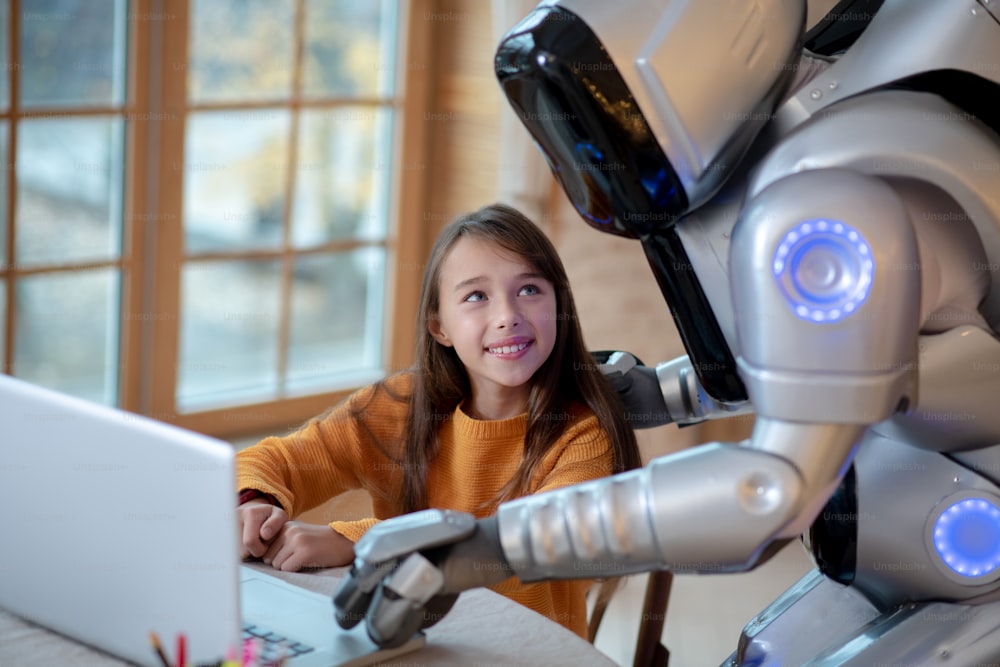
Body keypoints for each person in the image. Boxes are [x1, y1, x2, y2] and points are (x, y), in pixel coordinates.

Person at [235, 202, 642, 638]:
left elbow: (529, 547)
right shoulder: (402, 406)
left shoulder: (582, 434)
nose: (507, 315)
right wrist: (256, 503)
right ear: (440, 327)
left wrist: (363, 542)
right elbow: (280, 458)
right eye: (476, 296)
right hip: (417, 645)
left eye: (529, 289)